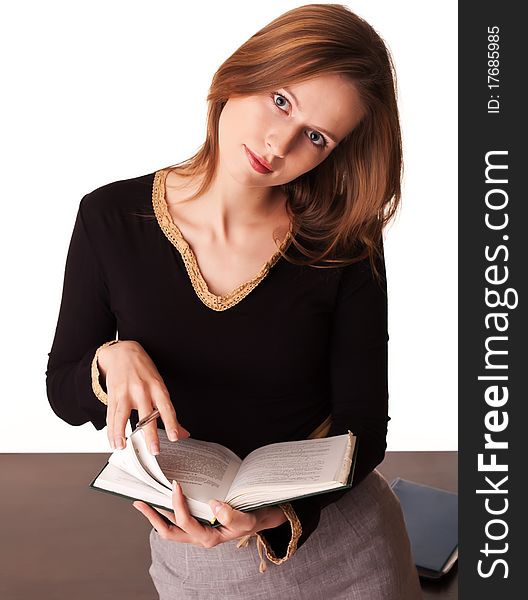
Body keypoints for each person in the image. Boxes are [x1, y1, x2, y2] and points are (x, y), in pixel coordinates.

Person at [45, 3, 422, 598]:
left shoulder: (345, 245)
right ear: (241, 74)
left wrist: (278, 515)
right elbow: (63, 390)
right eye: (281, 100)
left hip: (350, 554)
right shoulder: (109, 218)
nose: (279, 143)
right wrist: (109, 359)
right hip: (196, 559)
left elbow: (364, 430)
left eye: (316, 137)